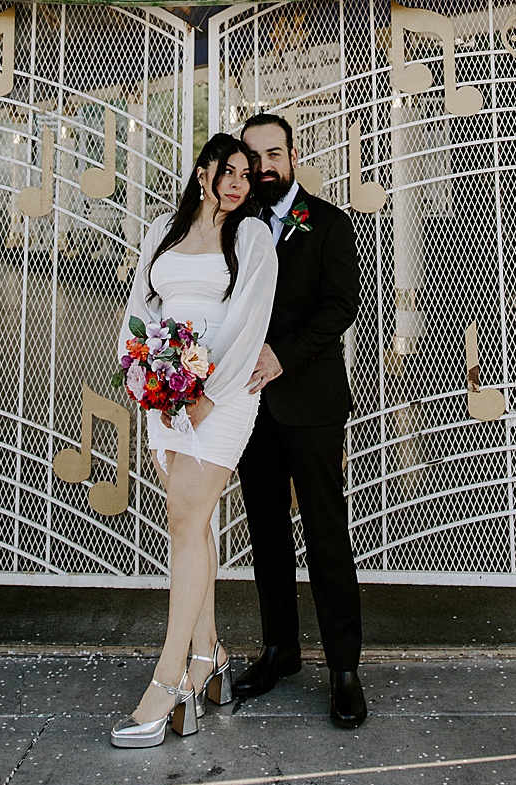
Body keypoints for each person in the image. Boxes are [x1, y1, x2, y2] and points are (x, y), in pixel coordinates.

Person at [109, 133, 277, 748]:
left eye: (247, 174)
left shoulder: (252, 238)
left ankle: (168, 680)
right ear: (204, 172)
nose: (236, 182)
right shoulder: (162, 228)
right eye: (227, 170)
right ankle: (210, 658)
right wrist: (142, 370)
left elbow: (247, 321)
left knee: (183, 519)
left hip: (221, 398)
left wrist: (208, 394)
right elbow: (142, 306)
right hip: (166, 394)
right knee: (193, 524)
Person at [235, 112, 367, 728]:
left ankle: (344, 668)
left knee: (325, 533)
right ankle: (279, 650)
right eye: (253, 155)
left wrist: (281, 356)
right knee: (264, 530)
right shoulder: (235, 224)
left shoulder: (330, 224)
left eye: (273, 154)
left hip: (309, 403)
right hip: (248, 404)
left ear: (292, 156)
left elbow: (342, 305)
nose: (263, 166)